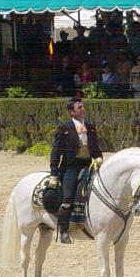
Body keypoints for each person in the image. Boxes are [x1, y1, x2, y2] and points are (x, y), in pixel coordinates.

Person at [49, 98, 103, 244]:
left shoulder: (90, 127)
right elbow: (56, 152)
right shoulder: (64, 128)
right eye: (79, 107)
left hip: (88, 165)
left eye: (83, 107)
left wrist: (98, 158)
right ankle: (64, 231)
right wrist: (54, 173)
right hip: (70, 168)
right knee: (67, 198)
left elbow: (96, 148)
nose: (83, 109)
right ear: (71, 112)